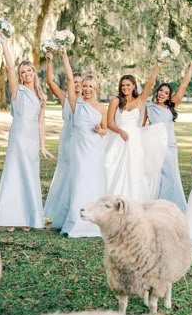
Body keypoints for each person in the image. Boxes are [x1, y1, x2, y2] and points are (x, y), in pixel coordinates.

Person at [0, 32, 53, 233]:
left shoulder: (40, 96)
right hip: (17, 137)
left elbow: (41, 123)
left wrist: (43, 145)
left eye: (30, 71)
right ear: (20, 76)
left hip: (32, 140)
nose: (27, 74)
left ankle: (28, 217)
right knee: (14, 174)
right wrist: (5, 43)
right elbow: (9, 66)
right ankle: (10, 217)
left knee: (29, 176)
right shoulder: (17, 90)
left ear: (34, 73)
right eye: (23, 72)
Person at [58, 49, 107, 238]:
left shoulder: (101, 108)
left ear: (95, 88)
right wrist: (64, 56)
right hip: (78, 149)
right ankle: (75, 221)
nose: (86, 89)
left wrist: (100, 130)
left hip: (94, 149)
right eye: (84, 86)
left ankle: (94, 221)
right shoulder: (75, 102)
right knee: (79, 181)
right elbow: (70, 80)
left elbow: (105, 130)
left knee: (93, 181)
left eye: (90, 87)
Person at [105, 59, 166, 203]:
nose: (125, 87)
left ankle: (134, 202)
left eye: (128, 85)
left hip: (136, 140)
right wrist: (120, 131)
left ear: (134, 86)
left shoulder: (140, 100)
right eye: (123, 85)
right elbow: (108, 123)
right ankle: (115, 200)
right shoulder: (115, 101)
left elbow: (150, 84)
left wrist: (158, 65)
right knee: (115, 169)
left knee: (135, 171)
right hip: (119, 140)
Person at [143, 61, 192, 212]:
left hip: (170, 147)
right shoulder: (148, 107)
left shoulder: (170, 106)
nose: (162, 94)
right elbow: (141, 127)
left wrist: (191, 67)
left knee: (171, 176)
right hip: (154, 147)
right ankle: (156, 207)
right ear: (157, 91)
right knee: (157, 177)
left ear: (169, 96)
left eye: (166, 93)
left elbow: (183, 87)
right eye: (161, 91)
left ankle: (174, 208)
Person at [44, 52, 82, 228]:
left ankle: (74, 208)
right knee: (64, 171)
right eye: (75, 82)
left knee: (78, 172)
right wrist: (50, 61)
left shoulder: (87, 101)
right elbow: (50, 82)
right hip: (66, 138)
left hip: (81, 140)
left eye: (80, 83)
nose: (78, 85)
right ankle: (58, 210)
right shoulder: (64, 97)